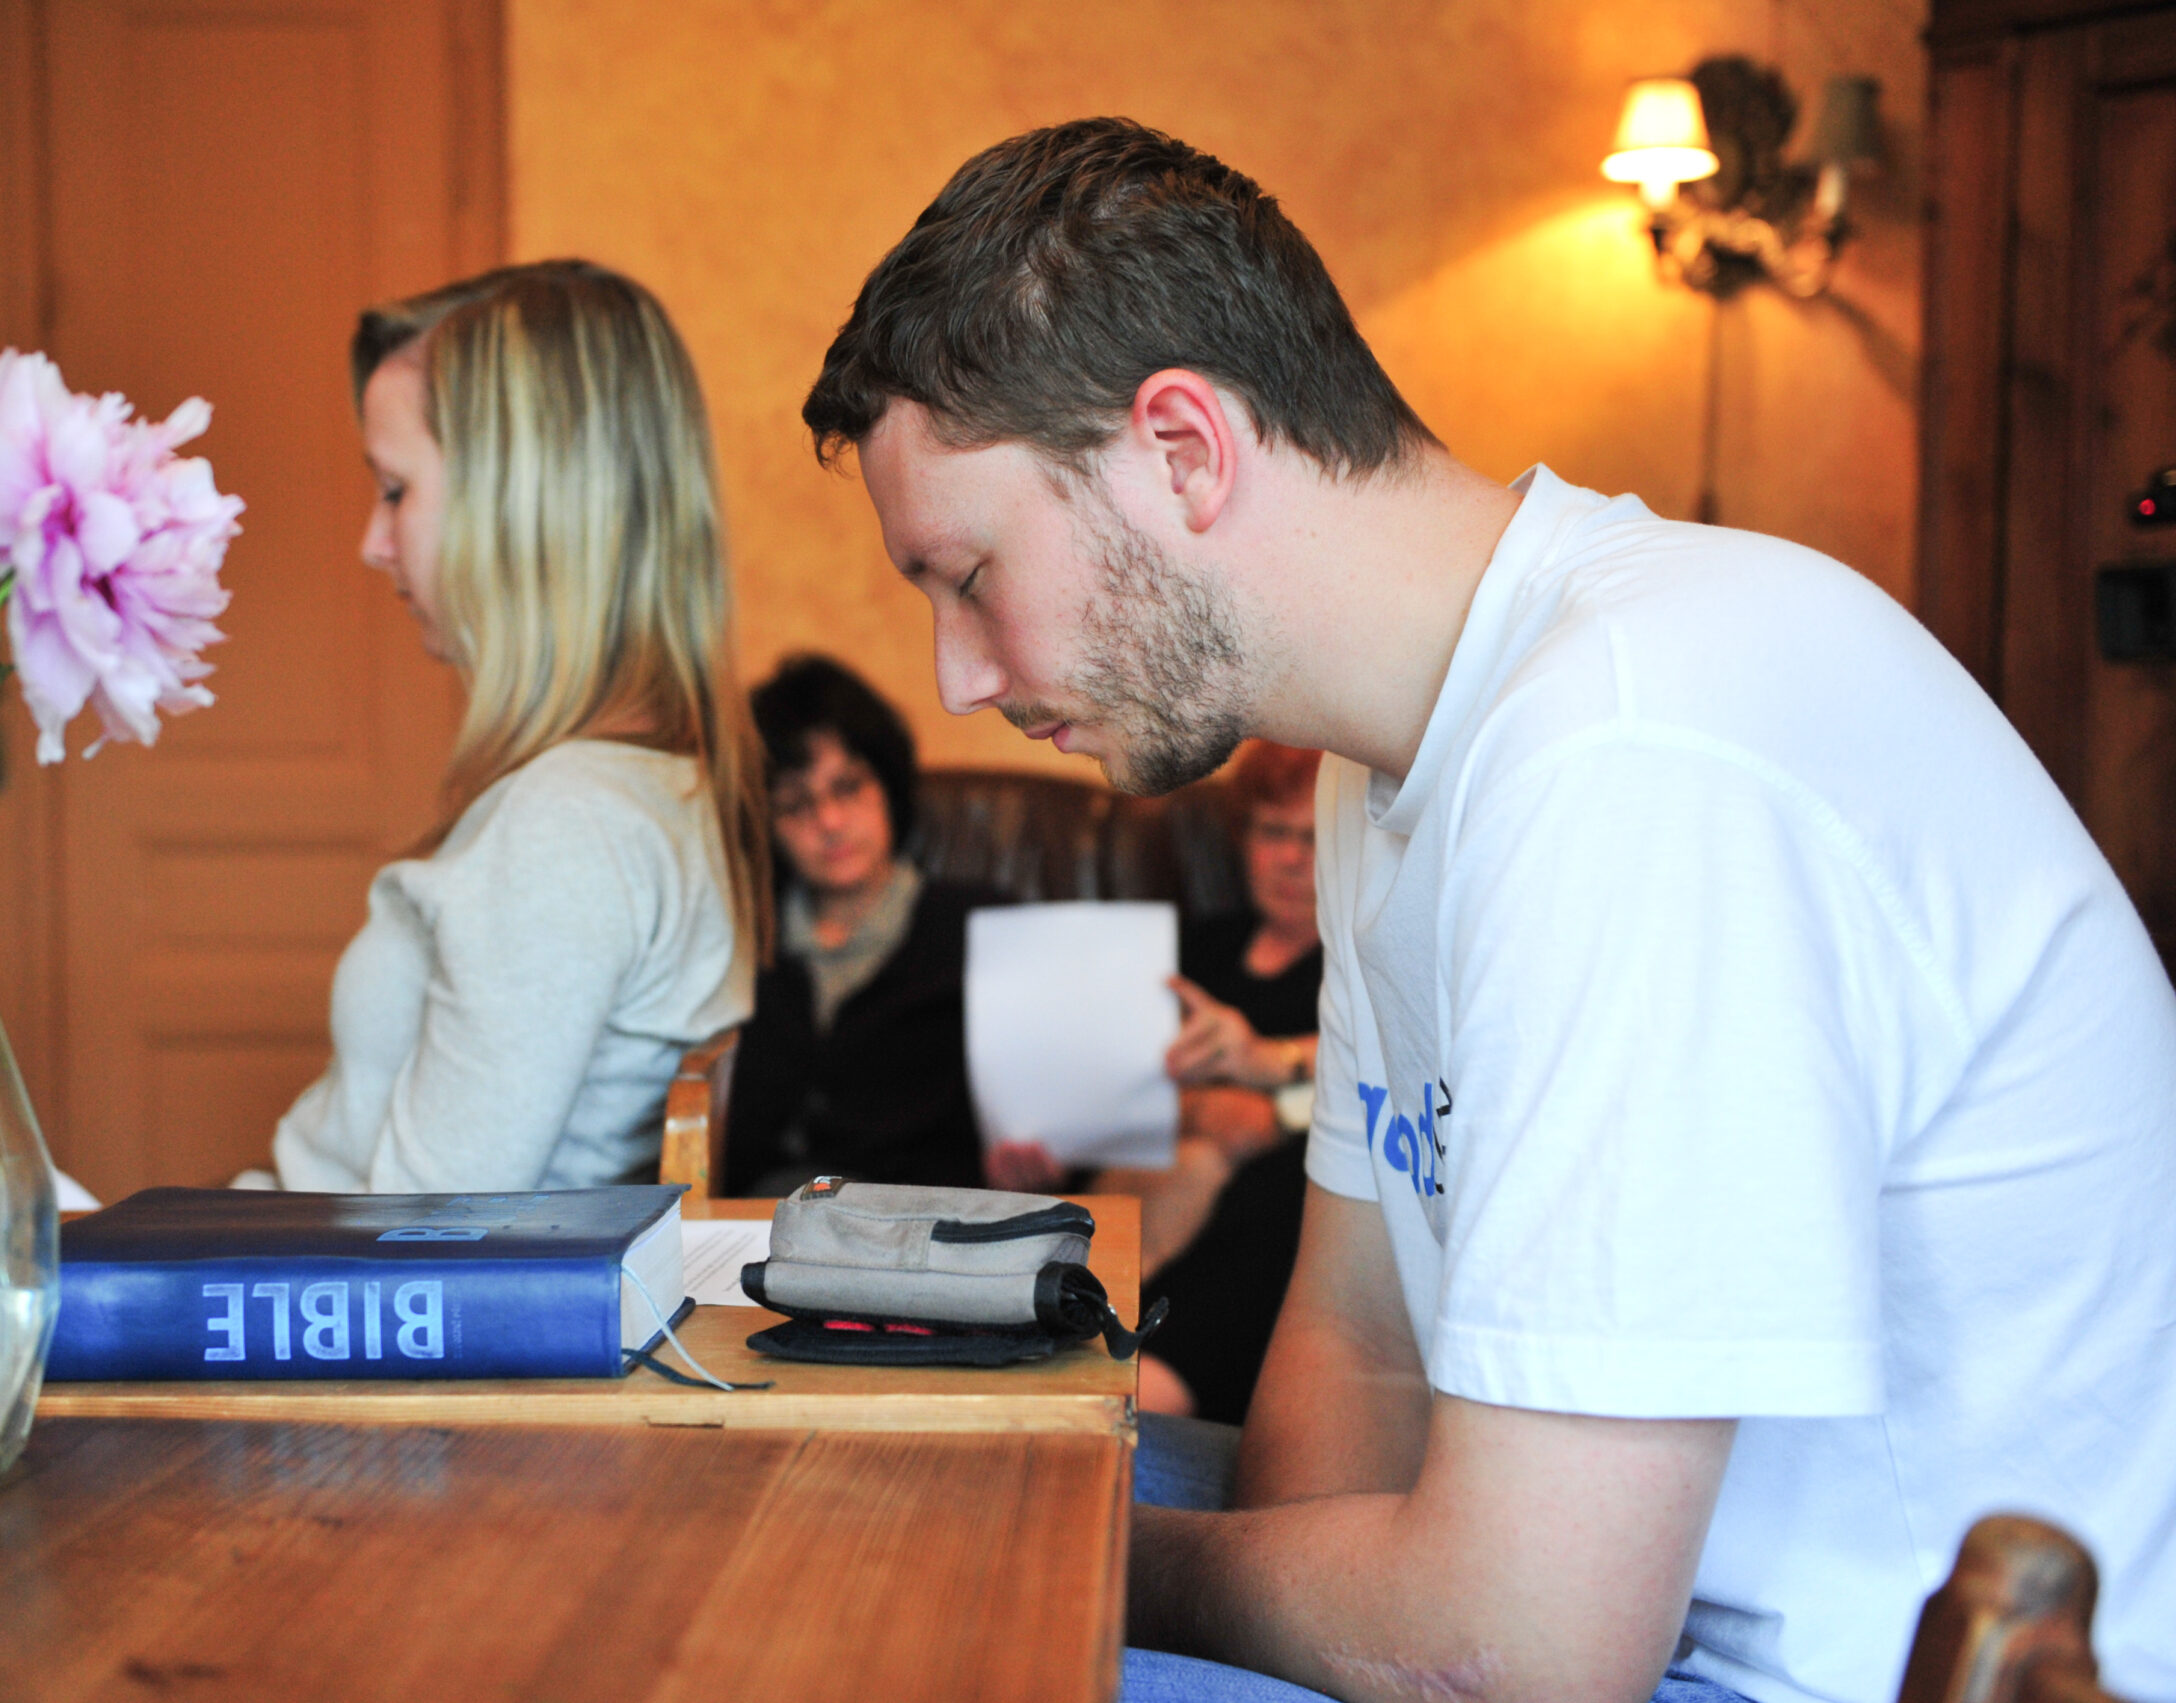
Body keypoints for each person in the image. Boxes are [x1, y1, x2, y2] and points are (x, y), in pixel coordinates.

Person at [802, 118, 2176, 1703]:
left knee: (908, 1615)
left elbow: (1520, 1653)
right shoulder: (1390, 754)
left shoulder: (1636, 743)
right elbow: (1364, 1331)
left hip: (1827, 1671)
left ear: (1182, 449)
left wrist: (1071, 1546)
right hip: (1615, 1623)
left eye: (966, 575)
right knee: (863, 1521)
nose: (957, 678)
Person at [270, 261, 766, 1195]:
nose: (373, 544)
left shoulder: (568, 826)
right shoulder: (638, 787)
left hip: (315, 1302)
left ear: (518, 504)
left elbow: (414, 1250)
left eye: (394, 489)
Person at [726, 655, 1009, 1194]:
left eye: (849, 787)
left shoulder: (984, 927)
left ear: (889, 786)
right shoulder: (740, 944)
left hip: (921, 1228)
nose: (828, 822)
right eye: (794, 804)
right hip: (756, 1229)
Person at [1141, 739, 1326, 1426]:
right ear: (1242, 838)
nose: (1289, 858)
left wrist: (1271, 1103)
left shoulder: (1355, 966)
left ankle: (1159, 1378)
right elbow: (1126, 1085)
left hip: (1270, 1210)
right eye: (1272, 831)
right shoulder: (1197, 950)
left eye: (1312, 837)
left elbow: (1375, 1067)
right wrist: (1205, 1112)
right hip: (1159, 1182)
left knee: (1289, 1190)